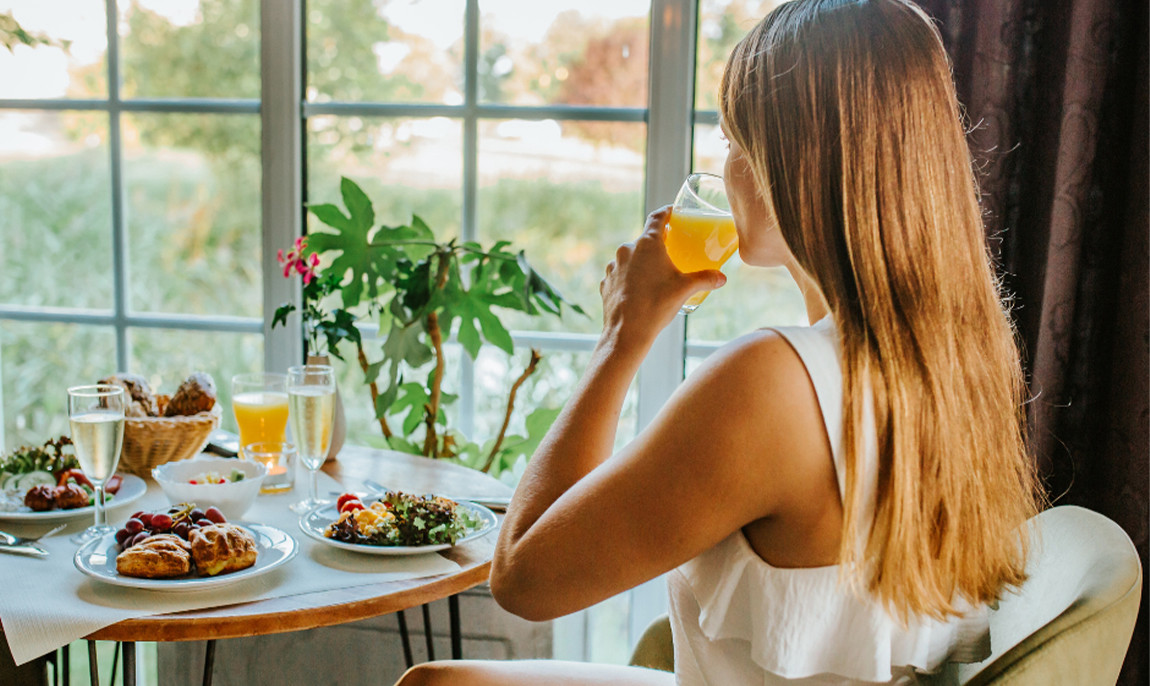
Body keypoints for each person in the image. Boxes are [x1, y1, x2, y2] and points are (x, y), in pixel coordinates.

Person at [395, 0, 1041, 683]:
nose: (727, 167)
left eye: (737, 141)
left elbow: (524, 579)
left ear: (793, 164)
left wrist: (622, 336)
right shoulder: (966, 353)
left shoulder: (775, 381)